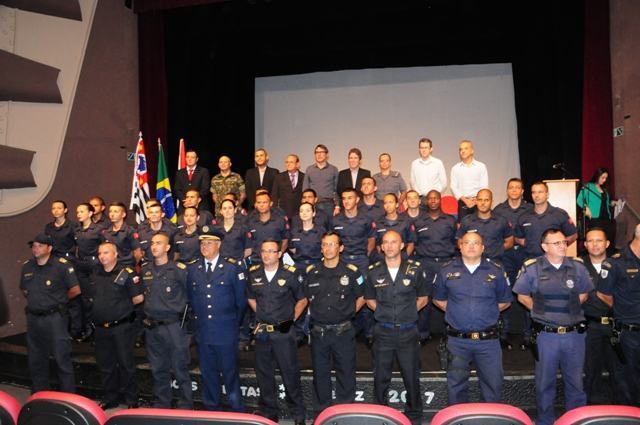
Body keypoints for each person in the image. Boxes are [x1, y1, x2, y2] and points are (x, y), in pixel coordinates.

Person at [513, 228, 593, 425]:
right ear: (544, 247)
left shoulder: (578, 267)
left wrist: (568, 310)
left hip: (574, 335)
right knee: (544, 384)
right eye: (557, 243)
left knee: (575, 383)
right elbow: (521, 295)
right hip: (546, 336)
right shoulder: (532, 268)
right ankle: (545, 421)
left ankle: (576, 421)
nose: (563, 246)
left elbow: (584, 292)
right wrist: (540, 312)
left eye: (564, 242)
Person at [433, 232, 512, 404]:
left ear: (483, 248)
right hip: (457, 342)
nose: (471, 246)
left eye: (476, 243)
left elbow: (505, 301)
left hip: (488, 341)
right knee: (456, 388)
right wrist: (457, 311)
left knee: (493, 387)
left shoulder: (496, 271)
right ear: (460, 246)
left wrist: (485, 312)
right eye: (466, 242)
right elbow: (438, 299)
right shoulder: (446, 270)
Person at [365, 230, 429, 425]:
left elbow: (423, 298)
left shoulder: (416, 269)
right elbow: (369, 299)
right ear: (381, 247)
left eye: (394, 242)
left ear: (402, 245)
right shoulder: (373, 270)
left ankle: (414, 417)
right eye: (386, 242)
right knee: (380, 378)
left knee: (411, 377)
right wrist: (385, 313)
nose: (390, 246)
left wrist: (407, 313)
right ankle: (380, 416)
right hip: (383, 332)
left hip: (408, 332)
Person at [186, 226, 247, 412]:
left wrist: (232, 325)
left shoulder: (232, 268)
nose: (204, 246)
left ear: (219, 245)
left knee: (230, 373)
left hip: (226, 331)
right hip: (204, 332)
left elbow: (241, 302)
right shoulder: (193, 268)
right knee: (208, 374)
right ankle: (212, 409)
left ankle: (236, 410)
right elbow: (191, 299)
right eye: (202, 243)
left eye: (209, 243)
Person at [247, 240, 307, 424]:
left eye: (271, 251)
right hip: (263, 333)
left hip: (283, 333)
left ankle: (298, 413)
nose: (266, 255)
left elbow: (302, 300)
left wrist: (291, 320)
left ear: (279, 254)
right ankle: (270, 412)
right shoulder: (253, 273)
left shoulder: (290, 273)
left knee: (290, 373)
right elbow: (250, 297)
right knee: (264, 374)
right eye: (264, 251)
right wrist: (262, 315)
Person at [304, 232, 365, 409]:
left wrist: (350, 311)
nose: (327, 248)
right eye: (324, 245)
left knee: (346, 374)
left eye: (332, 244)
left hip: (343, 332)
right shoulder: (312, 272)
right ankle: (322, 414)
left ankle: (344, 413)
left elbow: (362, 296)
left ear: (341, 247)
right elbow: (307, 298)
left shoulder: (352, 272)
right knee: (320, 375)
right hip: (319, 333)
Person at [21, 233, 80, 393]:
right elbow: (25, 290)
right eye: (34, 246)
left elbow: (75, 290)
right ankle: (40, 395)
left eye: (40, 246)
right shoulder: (27, 266)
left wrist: (58, 300)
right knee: (36, 360)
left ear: (50, 248)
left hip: (55, 318)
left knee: (62, 359)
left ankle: (68, 397)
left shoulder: (61, 265)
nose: (36, 249)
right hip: (34, 319)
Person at [142, 232, 193, 409]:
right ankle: (161, 403)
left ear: (168, 247)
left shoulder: (179, 269)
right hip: (152, 326)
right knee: (158, 368)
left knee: (180, 367)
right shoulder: (146, 269)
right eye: (152, 243)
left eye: (158, 243)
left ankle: (185, 404)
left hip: (173, 326)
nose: (154, 246)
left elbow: (190, 296)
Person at [91, 242, 144, 409]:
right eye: (100, 253)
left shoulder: (126, 272)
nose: (102, 256)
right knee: (106, 365)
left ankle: (132, 399)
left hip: (121, 328)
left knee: (126, 364)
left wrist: (120, 309)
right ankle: (110, 397)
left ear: (115, 254)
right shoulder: (96, 273)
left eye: (106, 252)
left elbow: (138, 298)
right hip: (100, 328)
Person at [598, 223, 640, 406]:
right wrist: (625, 309)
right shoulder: (615, 262)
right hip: (628, 332)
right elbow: (603, 294)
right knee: (626, 380)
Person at [493, 178, 534, 349]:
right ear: (507, 190)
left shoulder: (531, 209)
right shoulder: (499, 210)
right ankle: (503, 334)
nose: (514, 190)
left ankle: (528, 335)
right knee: (505, 293)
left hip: (526, 254)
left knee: (528, 293)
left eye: (518, 187)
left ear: (522, 191)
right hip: (506, 255)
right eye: (511, 188)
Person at [412, 190, 457, 342]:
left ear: (440, 200)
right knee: (424, 298)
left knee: (448, 298)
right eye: (430, 198)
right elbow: (415, 243)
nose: (432, 201)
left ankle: (449, 332)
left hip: (446, 263)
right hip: (426, 263)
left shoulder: (450, 220)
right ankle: (423, 333)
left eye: (435, 198)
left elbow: (456, 242)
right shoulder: (419, 221)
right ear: (426, 201)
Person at [580, 228, 615, 404]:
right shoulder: (577, 266)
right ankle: (592, 411)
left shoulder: (618, 264)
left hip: (616, 326)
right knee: (591, 371)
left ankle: (623, 411)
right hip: (590, 326)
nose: (595, 244)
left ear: (607, 243)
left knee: (620, 370)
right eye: (590, 241)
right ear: (585, 245)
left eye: (599, 240)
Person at [515, 182, 578, 259]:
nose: (536, 195)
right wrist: (530, 245)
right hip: (531, 261)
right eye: (533, 192)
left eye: (540, 192)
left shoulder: (559, 214)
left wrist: (559, 246)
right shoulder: (523, 216)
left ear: (547, 194)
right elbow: (518, 238)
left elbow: (573, 235)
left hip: (554, 260)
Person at [71, 202, 104, 341]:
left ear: (90, 213)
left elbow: (105, 246)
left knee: (96, 297)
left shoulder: (99, 229)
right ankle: (89, 328)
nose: (79, 214)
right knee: (85, 299)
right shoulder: (77, 230)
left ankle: (99, 330)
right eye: (77, 212)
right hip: (81, 265)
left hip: (95, 265)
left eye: (82, 211)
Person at [456, 189, 513, 261]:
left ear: (492, 202)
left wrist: (496, 251)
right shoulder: (466, 221)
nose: (483, 203)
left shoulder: (502, 221)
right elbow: (459, 243)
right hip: (473, 262)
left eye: (486, 200)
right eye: (480, 200)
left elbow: (510, 242)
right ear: (476, 201)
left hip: (495, 262)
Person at [246, 192, 289, 265]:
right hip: (256, 261)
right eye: (259, 202)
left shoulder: (280, 220)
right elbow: (247, 243)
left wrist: (279, 254)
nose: (261, 205)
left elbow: (285, 240)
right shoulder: (250, 221)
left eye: (265, 202)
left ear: (271, 203)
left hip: (275, 262)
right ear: (256, 204)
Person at [449, 140, 489, 222]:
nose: (462, 151)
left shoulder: (481, 166)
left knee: (481, 226)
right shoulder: (455, 168)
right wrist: (466, 200)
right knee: (463, 228)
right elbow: (453, 186)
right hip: (463, 202)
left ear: (472, 151)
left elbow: (484, 186)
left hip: (479, 202)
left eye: (466, 148)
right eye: (460, 149)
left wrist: (476, 199)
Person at [577, 167, 615, 250]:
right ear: (597, 176)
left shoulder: (604, 189)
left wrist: (612, 203)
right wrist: (585, 207)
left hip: (607, 218)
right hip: (595, 218)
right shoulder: (588, 186)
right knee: (598, 239)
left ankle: (608, 258)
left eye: (606, 178)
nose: (604, 180)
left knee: (608, 239)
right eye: (603, 177)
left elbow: (606, 202)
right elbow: (579, 200)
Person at [373, 193, 416, 262]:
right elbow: (378, 245)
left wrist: (403, 258)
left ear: (397, 204)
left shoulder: (406, 221)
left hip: (403, 260)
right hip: (384, 260)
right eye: (385, 203)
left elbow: (411, 243)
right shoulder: (378, 223)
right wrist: (383, 258)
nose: (388, 205)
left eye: (391, 202)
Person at [303, 144, 339, 218]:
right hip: (313, 205)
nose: (319, 154)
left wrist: (337, 206)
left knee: (329, 228)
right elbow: (305, 189)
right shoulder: (309, 169)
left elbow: (336, 189)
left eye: (321, 152)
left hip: (329, 205)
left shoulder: (333, 169)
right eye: (317, 152)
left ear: (327, 155)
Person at [103, 202, 142, 268]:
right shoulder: (106, 232)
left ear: (123, 214)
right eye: (110, 211)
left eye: (116, 212)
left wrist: (132, 266)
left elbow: (138, 252)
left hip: (126, 266)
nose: (112, 214)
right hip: (111, 267)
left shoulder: (130, 231)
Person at [289, 202, 324, 271]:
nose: (304, 213)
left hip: (317, 265)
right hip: (298, 265)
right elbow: (292, 249)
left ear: (314, 213)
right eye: (301, 211)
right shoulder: (294, 231)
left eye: (307, 211)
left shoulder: (321, 231)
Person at [272, 154, 305, 219]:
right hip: (283, 213)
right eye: (287, 162)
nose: (288, 164)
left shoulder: (304, 177)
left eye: (291, 162)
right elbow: (274, 195)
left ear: (297, 164)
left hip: (300, 213)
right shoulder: (279, 177)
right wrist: (275, 212)